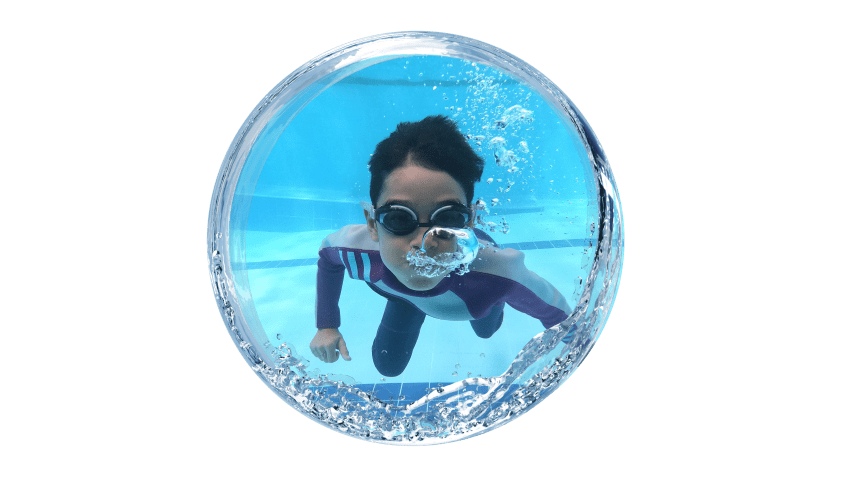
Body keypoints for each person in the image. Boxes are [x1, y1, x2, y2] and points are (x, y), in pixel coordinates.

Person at [310, 115, 570, 377]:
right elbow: (327, 258)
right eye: (399, 218)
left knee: (486, 330)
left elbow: (560, 316)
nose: (424, 243)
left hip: (477, 295)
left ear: (470, 222)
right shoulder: (357, 250)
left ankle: (494, 305)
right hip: (403, 298)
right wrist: (326, 325)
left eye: (448, 219)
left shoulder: (497, 274)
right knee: (387, 367)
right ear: (372, 224)